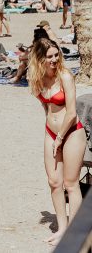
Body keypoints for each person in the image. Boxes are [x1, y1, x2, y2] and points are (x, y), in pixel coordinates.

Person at [29, 37, 85, 245]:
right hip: (51, 133)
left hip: (70, 133)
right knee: (54, 182)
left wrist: (60, 137)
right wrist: (52, 130)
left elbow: (71, 113)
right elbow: (45, 107)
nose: (54, 59)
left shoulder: (65, 76)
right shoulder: (37, 78)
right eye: (49, 56)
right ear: (39, 58)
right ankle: (62, 228)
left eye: (56, 55)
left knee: (70, 183)